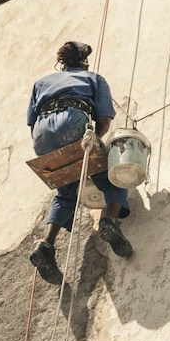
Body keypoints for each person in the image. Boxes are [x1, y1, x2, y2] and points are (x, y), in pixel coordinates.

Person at [27, 41, 133, 283]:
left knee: (66, 189)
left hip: (42, 137)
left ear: (62, 63)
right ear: (84, 62)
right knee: (113, 173)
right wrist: (93, 140)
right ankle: (109, 222)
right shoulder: (93, 79)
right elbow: (104, 120)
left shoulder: (41, 83)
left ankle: (45, 245)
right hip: (73, 121)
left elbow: (32, 122)